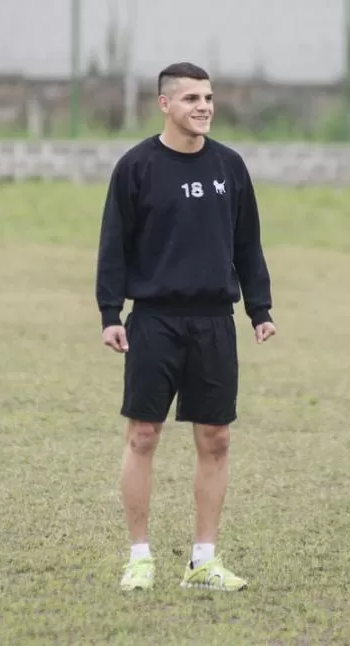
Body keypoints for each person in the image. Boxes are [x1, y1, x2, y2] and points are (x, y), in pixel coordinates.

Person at [95, 61, 276, 593]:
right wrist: (110, 313)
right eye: (193, 98)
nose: (204, 107)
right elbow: (113, 245)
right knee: (143, 435)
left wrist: (259, 310)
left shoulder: (230, 166)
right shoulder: (136, 167)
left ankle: (203, 561)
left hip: (214, 323)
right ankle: (139, 558)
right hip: (154, 321)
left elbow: (248, 243)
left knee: (216, 438)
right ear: (165, 104)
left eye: (210, 98)